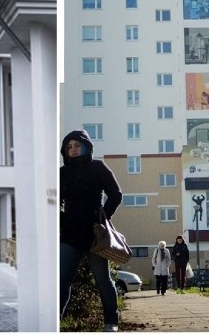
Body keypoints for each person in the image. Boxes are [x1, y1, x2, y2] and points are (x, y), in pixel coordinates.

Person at [60, 129, 123, 332]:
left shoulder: (97, 167)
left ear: (86, 146)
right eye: (69, 146)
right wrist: (62, 218)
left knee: (103, 279)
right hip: (70, 234)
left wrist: (103, 216)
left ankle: (111, 322)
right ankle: (55, 323)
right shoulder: (61, 173)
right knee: (62, 280)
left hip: (95, 234)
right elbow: (53, 200)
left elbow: (116, 194)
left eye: (77, 145)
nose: (73, 150)